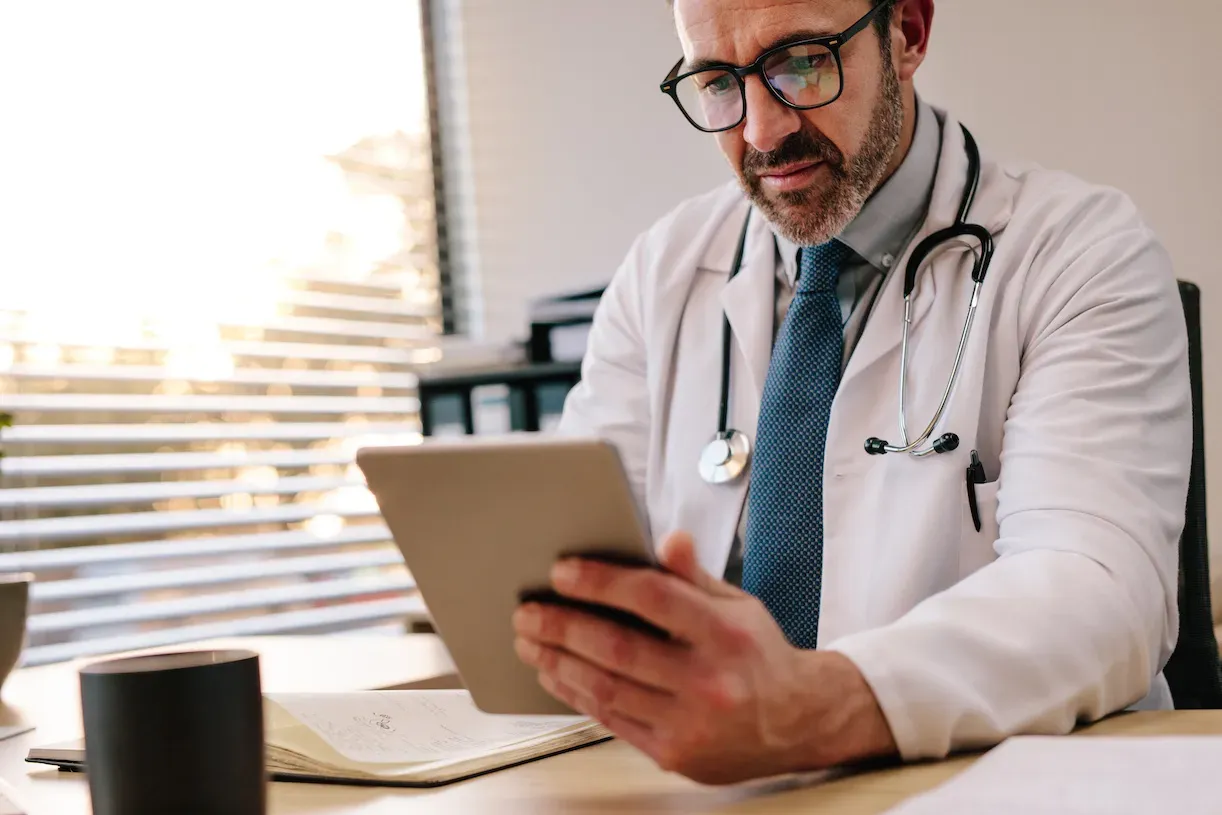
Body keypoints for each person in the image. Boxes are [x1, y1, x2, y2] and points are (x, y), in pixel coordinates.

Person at [511, 0, 1192, 785]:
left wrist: (806, 705)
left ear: (906, 32)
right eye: (718, 83)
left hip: (998, 787)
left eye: (801, 63)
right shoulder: (660, 274)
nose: (762, 131)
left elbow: (1100, 594)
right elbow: (579, 561)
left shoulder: (1081, 253)